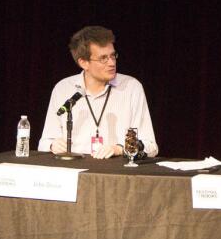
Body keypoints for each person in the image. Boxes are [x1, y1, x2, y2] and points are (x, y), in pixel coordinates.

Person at [39, 26, 158, 158]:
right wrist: (53, 145)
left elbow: (150, 146)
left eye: (113, 55)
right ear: (84, 63)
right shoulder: (63, 89)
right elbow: (44, 142)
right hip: (73, 169)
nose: (112, 63)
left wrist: (120, 149)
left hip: (115, 172)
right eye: (103, 58)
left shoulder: (132, 88)